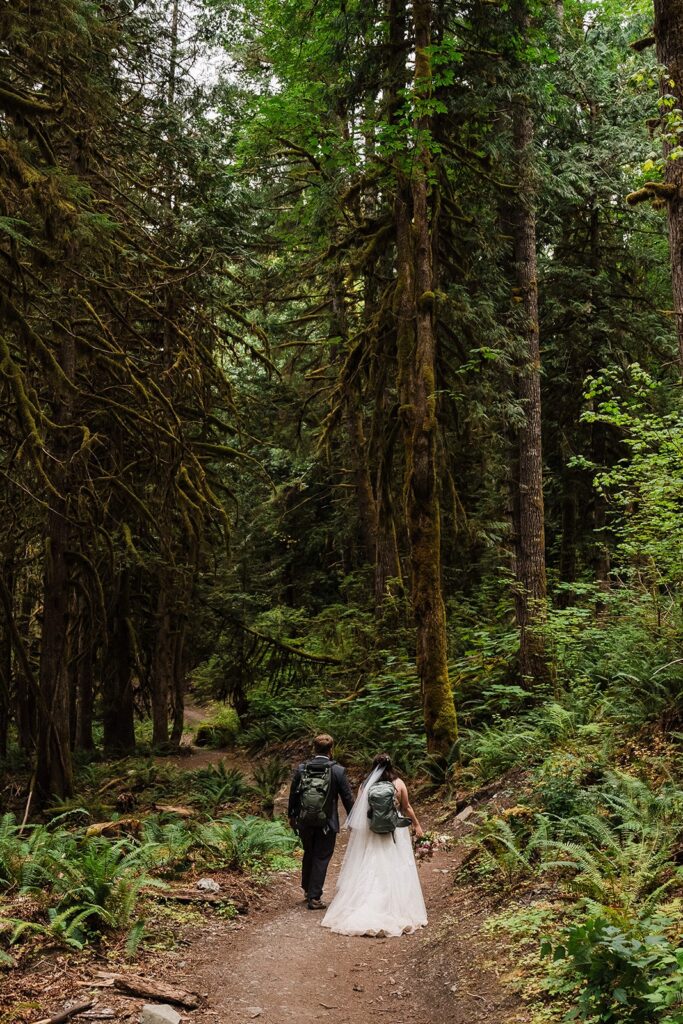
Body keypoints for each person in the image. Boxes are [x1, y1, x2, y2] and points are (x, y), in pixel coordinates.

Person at [320, 752, 427, 937]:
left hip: (372, 829)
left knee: (371, 863)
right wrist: (417, 824)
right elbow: (406, 806)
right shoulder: (398, 783)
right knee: (396, 864)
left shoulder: (366, 784)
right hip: (394, 830)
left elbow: (360, 809)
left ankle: (364, 904)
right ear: (391, 765)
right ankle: (395, 907)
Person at [288, 733, 355, 910]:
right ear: (331, 750)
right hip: (327, 821)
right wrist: (353, 818)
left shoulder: (302, 769)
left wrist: (292, 816)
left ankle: (307, 889)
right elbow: (347, 798)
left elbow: (294, 794)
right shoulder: (338, 771)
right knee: (322, 856)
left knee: (309, 852)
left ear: (314, 748)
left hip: (304, 820)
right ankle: (314, 897)